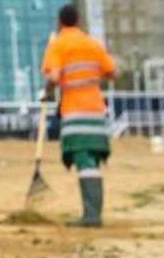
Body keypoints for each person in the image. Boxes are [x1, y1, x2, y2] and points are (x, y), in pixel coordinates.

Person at [41, 4, 116, 227]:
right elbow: (113, 72)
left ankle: (92, 215)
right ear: (79, 20)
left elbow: (54, 76)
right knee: (92, 159)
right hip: (96, 108)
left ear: (60, 22)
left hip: (75, 110)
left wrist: (47, 92)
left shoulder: (59, 44)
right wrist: (92, 78)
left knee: (83, 159)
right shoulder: (92, 44)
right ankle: (93, 212)